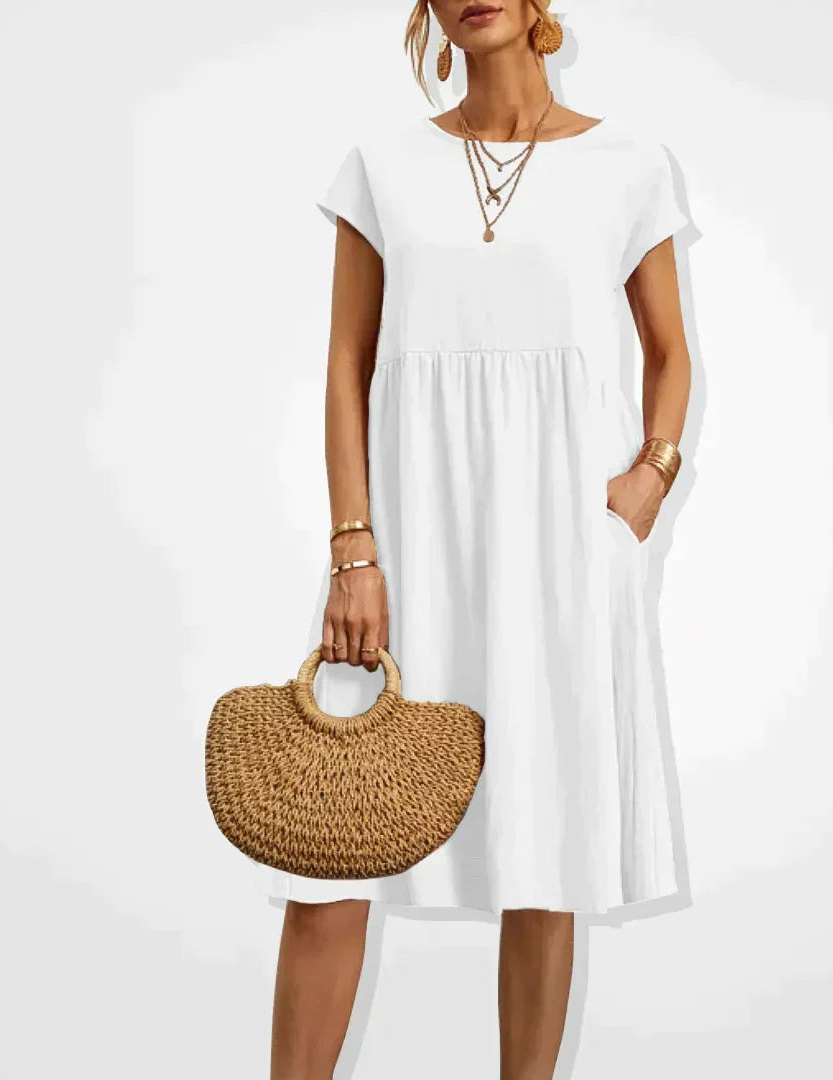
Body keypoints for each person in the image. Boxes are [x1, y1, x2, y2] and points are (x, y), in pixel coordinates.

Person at [264, 2, 696, 1076]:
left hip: (564, 548)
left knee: (545, 856)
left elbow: (670, 352)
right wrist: (354, 551)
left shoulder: (631, 165)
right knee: (331, 855)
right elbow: (345, 368)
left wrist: (649, 478)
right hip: (404, 544)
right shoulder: (382, 167)